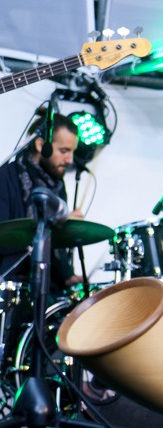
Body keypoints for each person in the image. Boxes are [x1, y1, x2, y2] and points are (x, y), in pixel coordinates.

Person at [0, 104, 85, 294]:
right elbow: (5, 236)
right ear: (40, 145)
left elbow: (55, 251)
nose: (70, 160)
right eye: (64, 151)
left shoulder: (57, 185)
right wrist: (53, 226)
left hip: (48, 285)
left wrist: (68, 275)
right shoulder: (6, 177)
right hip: (12, 284)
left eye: (72, 152)